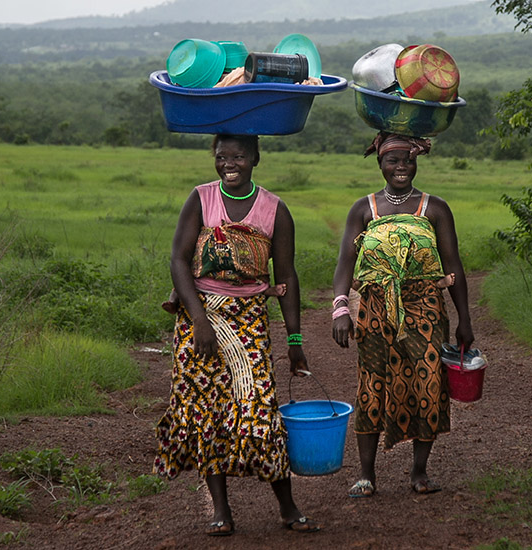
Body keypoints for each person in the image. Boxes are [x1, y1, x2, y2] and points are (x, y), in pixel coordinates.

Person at [154, 134, 320, 536]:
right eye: (221, 155)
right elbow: (178, 258)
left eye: (239, 156)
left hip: (249, 321)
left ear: (256, 158)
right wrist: (198, 319)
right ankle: (221, 510)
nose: (229, 163)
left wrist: (294, 340)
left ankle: (287, 505)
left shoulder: (275, 209)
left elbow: (287, 276)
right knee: (206, 411)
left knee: (259, 410)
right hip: (200, 317)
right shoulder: (201, 198)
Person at [331, 131, 475, 498]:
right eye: (393, 161)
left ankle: (419, 471)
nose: (401, 168)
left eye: (408, 161)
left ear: (416, 163)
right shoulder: (364, 209)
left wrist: (464, 319)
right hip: (375, 310)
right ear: (380, 164)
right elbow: (345, 264)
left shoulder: (435, 208)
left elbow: (453, 263)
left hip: (425, 309)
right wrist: (341, 308)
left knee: (429, 382)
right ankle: (366, 474)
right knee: (372, 385)